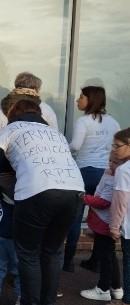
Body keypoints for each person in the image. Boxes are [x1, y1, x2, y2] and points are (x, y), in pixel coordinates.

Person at [0, 99, 84, 305]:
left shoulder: (9, 129)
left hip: (36, 192)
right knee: (52, 253)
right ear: (39, 114)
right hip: (75, 192)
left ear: (11, 114)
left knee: (28, 255)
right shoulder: (54, 133)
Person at [64, 86, 121, 273]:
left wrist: (59, 148)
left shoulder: (84, 121)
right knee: (101, 217)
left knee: (75, 215)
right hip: (104, 173)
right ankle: (96, 260)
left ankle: (68, 261)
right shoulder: (113, 123)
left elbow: (75, 145)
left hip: (84, 172)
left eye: (81, 97)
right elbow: (115, 147)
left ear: (91, 100)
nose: (77, 100)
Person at [80, 152, 124, 301]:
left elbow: (103, 201)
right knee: (110, 254)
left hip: (105, 222)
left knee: (106, 256)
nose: (111, 164)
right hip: (106, 221)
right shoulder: (112, 175)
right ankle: (116, 287)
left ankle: (103, 289)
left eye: (116, 162)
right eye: (110, 161)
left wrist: (83, 198)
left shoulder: (115, 180)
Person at [0, 72, 58, 141]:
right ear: (36, 89)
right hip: (32, 153)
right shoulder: (46, 108)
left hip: (2, 152)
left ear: (16, 86)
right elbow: (54, 136)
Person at [107, 128, 130, 305]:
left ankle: (127, 304)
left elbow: (120, 202)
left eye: (118, 146)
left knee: (128, 263)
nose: (115, 150)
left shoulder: (124, 170)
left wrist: (114, 226)